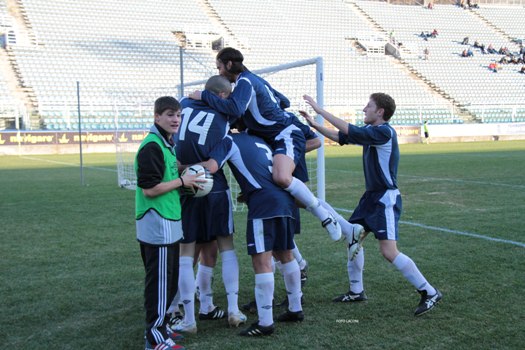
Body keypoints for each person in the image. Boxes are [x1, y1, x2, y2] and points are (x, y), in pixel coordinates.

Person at [299, 93, 442, 316]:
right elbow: (340, 137)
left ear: (380, 112)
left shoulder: (384, 132)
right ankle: (357, 291)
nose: (364, 109)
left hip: (385, 198)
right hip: (371, 197)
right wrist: (314, 124)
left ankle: (430, 291)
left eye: (369, 106)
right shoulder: (372, 133)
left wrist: (319, 110)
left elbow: (347, 130)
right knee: (352, 237)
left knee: (388, 251)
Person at [188, 47, 342, 242]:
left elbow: (235, 108)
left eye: (219, 67)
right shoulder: (256, 80)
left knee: (282, 178)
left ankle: (326, 217)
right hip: (277, 137)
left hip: (285, 134)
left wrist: (204, 96)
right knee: (281, 190)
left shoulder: (245, 81)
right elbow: (283, 101)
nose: (218, 72)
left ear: (228, 64)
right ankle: (343, 232)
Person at [204, 128, 305, 336]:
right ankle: (295, 308)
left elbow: (211, 167)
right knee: (285, 254)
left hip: (263, 204)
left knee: (262, 261)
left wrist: (182, 167)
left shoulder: (229, 140)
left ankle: (265, 322)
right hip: (284, 199)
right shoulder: (261, 138)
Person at [172, 76, 246, 333]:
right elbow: (214, 164)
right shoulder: (226, 117)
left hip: (183, 187)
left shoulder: (183, 104)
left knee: (185, 253)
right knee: (226, 246)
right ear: (223, 96)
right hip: (213, 186)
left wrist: (181, 170)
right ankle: (234, 309)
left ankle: (189, 317)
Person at [135, 96, 205, 350]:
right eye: (169, 114)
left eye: (178, 114)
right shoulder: (152, 146)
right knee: (159, 285)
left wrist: (188, 183)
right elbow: (150, 190)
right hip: (157, 226)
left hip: (171, 223)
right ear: (156, 117)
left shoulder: (167, 144)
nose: (175, 119)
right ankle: (154, 340)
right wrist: (182, 182)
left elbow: (170, 180)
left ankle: (162, 328)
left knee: (170, 281)